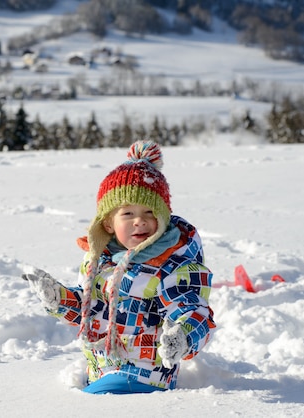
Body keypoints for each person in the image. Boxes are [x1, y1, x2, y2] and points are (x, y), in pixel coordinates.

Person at [22, 140, 215, 394]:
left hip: (147, 379)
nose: (140, 222)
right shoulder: (98, 262)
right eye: (127, 214)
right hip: (101, 372)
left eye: (149, 212)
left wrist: (182, 337)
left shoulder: (171, 264)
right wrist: (59, 299)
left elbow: (194, 311)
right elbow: (90, 308)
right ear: (109, 223)